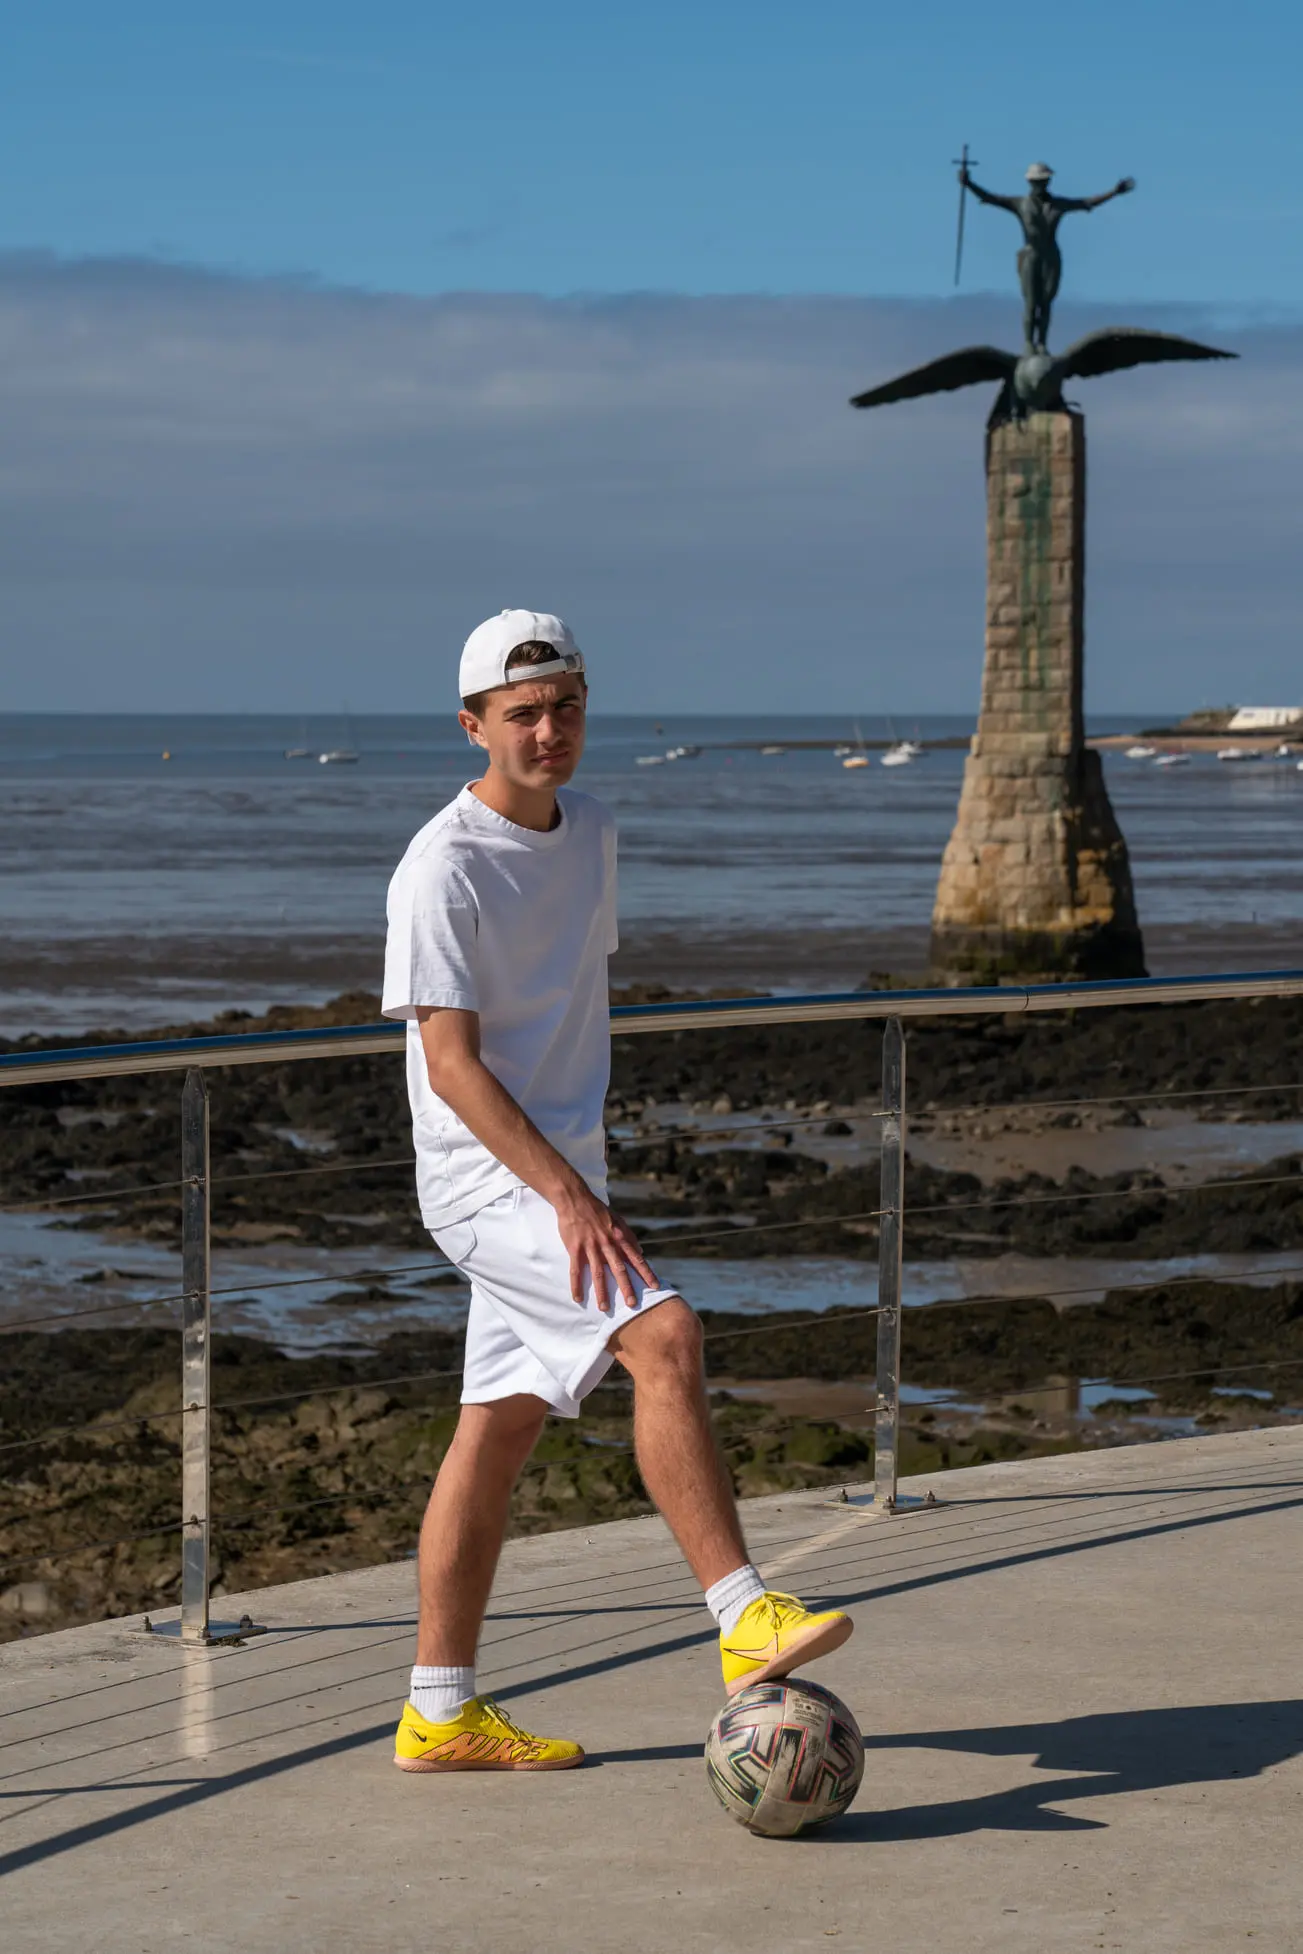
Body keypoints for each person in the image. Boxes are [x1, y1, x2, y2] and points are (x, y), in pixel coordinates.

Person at [382, 608, 853, 1771]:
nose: (551, 730)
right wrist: (568, 1200)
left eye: (568, 705)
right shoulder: (439, 866)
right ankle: (743, 1615)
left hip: (560, 1176)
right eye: (523, 713)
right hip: (487, 1183)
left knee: (491, 1437)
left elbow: (569, 1008)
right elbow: (450, 1063)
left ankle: (437, 1712)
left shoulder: (589, 831)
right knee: (667, 1334)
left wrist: (581, 1176)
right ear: (473, 724)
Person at [960, 160, 1135, 353]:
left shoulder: (1058, 204)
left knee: (1046, 301)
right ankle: (1028, 343)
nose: (1040, 185)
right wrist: (969, 184)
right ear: (1030, 182)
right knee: (1031, 301)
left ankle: (1042, 342)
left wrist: (1113, 192)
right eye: (1036, 181)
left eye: (1043, 181)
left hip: (1050, 257)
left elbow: (1086, 203)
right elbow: (990, 198)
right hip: (1030, 255)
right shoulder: (1020, 204)